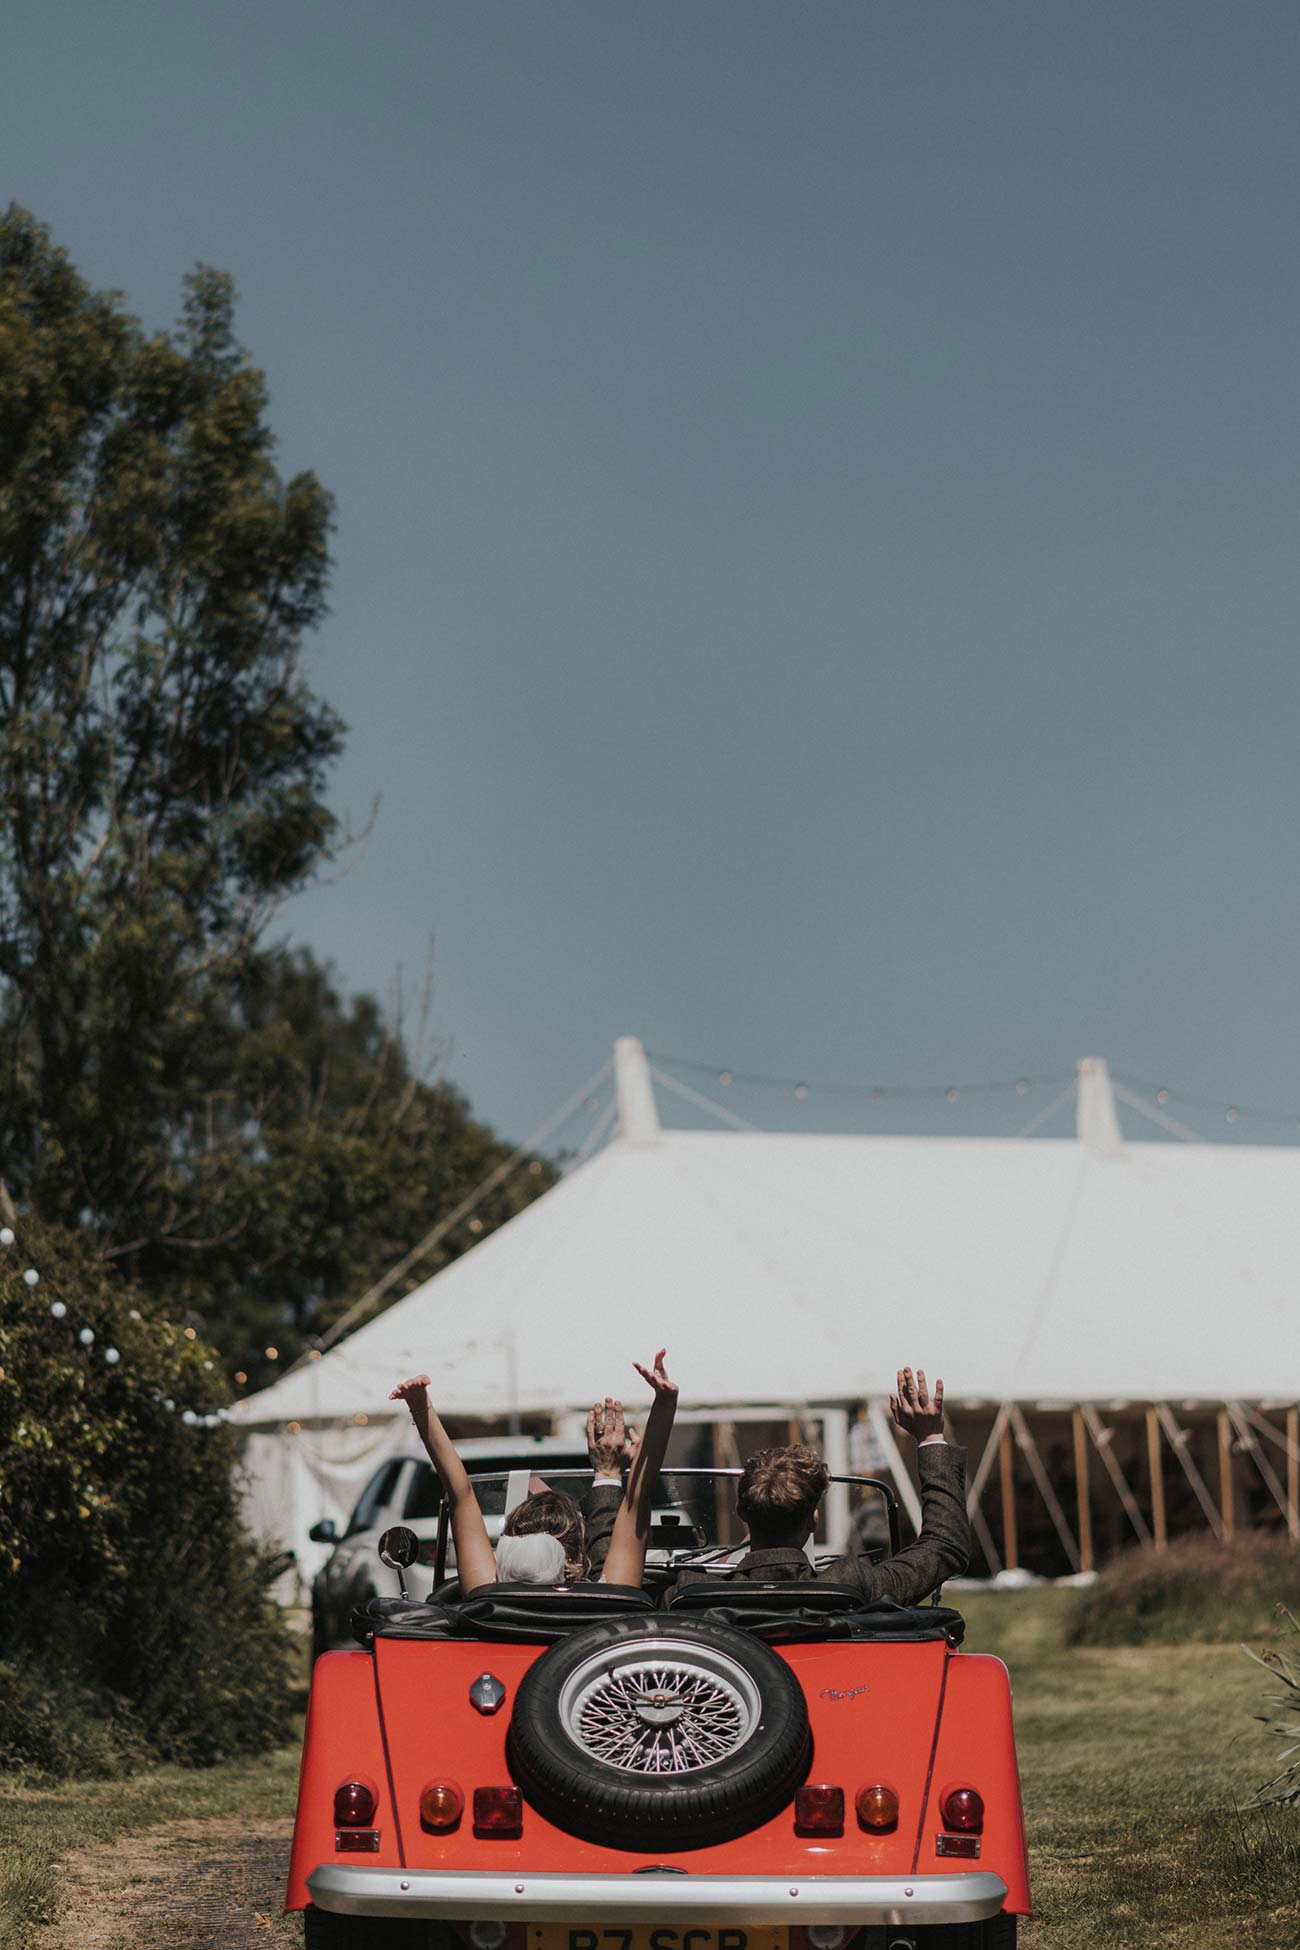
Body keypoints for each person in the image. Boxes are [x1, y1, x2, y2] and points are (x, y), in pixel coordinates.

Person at [666, 1365, 969, 1606]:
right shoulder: (850, 1583)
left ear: (741, 1513)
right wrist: (931, 1438)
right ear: (814, 1519)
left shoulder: (692, 1591)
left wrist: (618, 1476)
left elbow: (620, 1593)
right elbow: (945, 1546)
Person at [388, 1349, 678, 1593]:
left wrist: (420, 1405)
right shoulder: (612, 1595)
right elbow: (638, 1497)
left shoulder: (484, 1596)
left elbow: (459, 1492)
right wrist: (664, 1403)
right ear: (578, 1559)